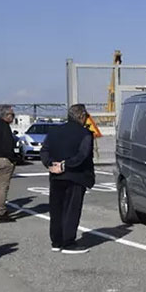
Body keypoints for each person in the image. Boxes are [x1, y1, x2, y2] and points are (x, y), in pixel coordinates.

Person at [41, 104, 95, 254]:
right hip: (76, 176)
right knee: (71, 210)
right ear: (81, 116)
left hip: (56, 176)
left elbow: (44, 150)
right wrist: (66, 165)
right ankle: (68, 242)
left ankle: (56, 241)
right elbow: (82, 155)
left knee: (56, 209)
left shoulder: (54, 131)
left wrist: (50, 164)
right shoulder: (85, 134)